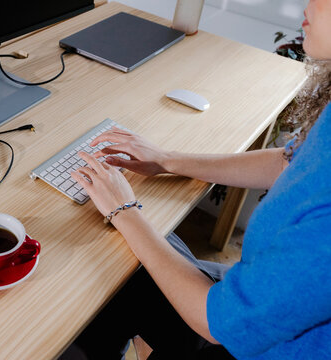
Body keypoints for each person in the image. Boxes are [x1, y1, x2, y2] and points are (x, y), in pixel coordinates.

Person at [69, 1, 331, 359]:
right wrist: (168, 160)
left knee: (112, 284)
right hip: (257, 301)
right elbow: (291, 162)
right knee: (147, 247)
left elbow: (216, 322)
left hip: (259, 344)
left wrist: (123, 209)